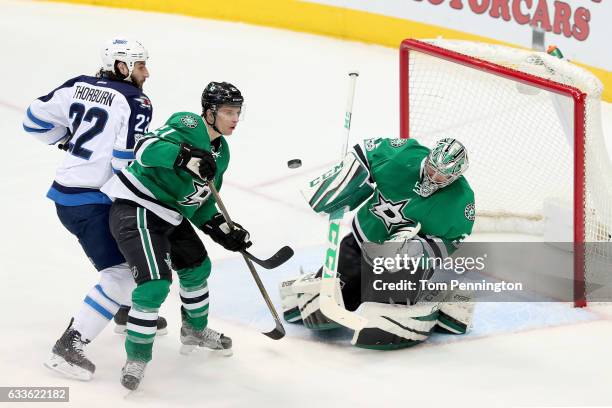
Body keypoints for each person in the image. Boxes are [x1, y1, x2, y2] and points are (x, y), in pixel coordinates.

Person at [22, 38, 166, 381]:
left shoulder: (78, 85)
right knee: (121, 274)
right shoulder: (136, 100)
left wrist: (66, 140)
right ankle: (69, 345)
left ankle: (124, 311)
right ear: (121, 66)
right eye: (141, 65)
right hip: (92, 202)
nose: (147, 73)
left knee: (128, 263)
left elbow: (32, 121)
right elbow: (122, 162)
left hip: (67, 194)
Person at [101, 81, 251, 390]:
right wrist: (185, 156)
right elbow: (143, 149)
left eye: (237, 112)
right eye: (227, 112)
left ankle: (195, 330)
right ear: (209, 113)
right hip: (138, 207)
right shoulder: (189, 124)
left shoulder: (222, 153)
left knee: (198, 267)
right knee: (155, 285)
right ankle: (138, 357)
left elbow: (199, 201)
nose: (234, 119)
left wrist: (221, 228)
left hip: (170, 213)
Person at [280, 137, 476, 349]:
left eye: (442, 175)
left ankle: (437, 296)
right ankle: (319, 280)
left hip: (400, 263)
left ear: (455, 176)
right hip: (362, 240)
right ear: (428, 158)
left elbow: (452, 241)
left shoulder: (461, 200)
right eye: (431, 168)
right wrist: (346, 177)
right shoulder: (402, 156)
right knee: (339, 293)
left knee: (388, 300)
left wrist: (417, 248)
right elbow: (366, 152)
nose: (433, 176)